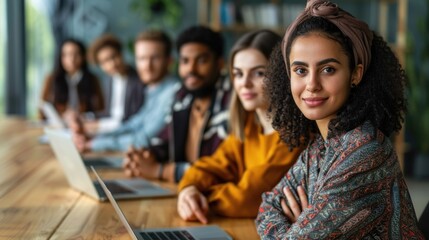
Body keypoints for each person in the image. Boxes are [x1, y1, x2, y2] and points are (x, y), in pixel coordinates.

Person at [255, 0, 424, 239]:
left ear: (355, 73)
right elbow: (266, 208)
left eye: (328, 69)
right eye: (301, 70)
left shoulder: (365, 153)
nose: (312, 85)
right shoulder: (320, 148)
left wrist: (297, 226)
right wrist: (297, 227)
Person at [176, 30, 303, 224]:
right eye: (238, 74)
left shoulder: (294, 136)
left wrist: (201, 198)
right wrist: (189, 189)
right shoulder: (249, 125)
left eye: (259, 73)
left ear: (282, 75)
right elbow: (212, 165)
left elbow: (246, 199)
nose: (244, 83)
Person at [123, 26, 231, 183]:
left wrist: (160, 170)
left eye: (201, 61)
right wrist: (142, 158)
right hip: (183, 191)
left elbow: (220, 170)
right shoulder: (182, 97)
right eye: (185, 61)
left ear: (220, 63)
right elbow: (164, 141)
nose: (191, 69)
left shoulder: (231, 103)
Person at [72, 30, 179, 152]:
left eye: (155, 58)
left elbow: (142, 139)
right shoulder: (153, 89)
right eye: (142, 58)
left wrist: (95, 144)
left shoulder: (172, 93)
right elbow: (134, 124)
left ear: (169, 61)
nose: (147, 66)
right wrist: (95, 137)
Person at [82, 34, 145, 134]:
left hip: (127, 132)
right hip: (109, 130)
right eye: (105, 61)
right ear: (100, 66)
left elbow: (132, 119)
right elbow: (109, 113)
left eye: (114, 56)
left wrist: (99, 125)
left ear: (121, 54)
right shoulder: (109, 81)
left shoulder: (138, 79)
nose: (112, 63)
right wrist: (87, 117)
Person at [40, 38, 104, 119]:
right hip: (57, 126)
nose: (72, 59)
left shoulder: (92, 79)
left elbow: (101, 109)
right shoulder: (51, 79)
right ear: (60, 57)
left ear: (83, 57)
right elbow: (42, 108)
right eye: (66, 55)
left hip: (86, 125)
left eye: (76, 54)